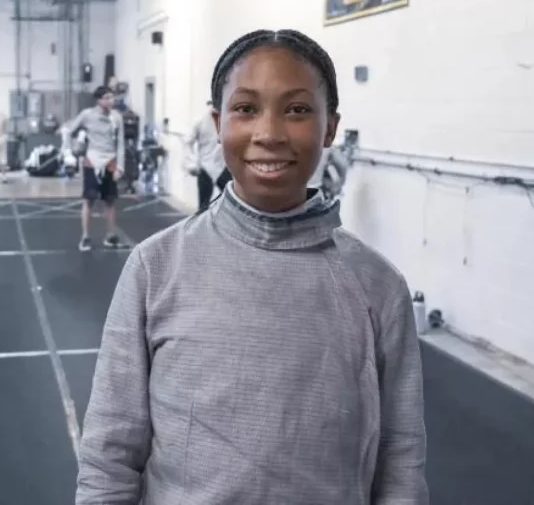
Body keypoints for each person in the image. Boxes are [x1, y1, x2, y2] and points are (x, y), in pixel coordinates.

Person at [76, 29, 428, 505]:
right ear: (219, 123)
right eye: (246, 109)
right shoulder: (155, 268)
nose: (269, 133)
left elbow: (401, 459)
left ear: (330, 127)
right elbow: (108, 453)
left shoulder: (378, 288)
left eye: (298, 109)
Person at [61, 86, 125, 252]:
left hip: (110, 160)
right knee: (88, 200)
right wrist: (70, 150)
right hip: (92, 160)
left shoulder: (116, 117)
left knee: (110, 201)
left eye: (112, 97)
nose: (111, 101)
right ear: (99, 100)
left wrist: (120, 167)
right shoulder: (87, 115)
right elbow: (69, 131)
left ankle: (110, 236)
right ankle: (85, 237)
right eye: (108, 97)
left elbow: (121, 144)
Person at [185, 100, 231, 211]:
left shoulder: (227, 120)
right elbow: (188, 142)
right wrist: (192, 163)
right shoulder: (200, 121)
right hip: (206, 168)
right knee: (203, 206)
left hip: (223, 167)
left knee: (231, 203)